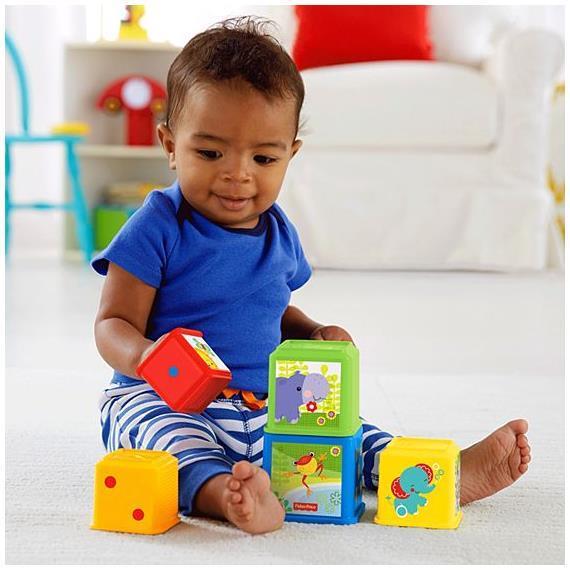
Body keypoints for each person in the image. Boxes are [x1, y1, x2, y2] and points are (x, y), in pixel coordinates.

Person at [92, 17, 531, 535]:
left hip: (264, 403)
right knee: (169, 442)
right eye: (209, 153)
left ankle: (439, 474)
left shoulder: (279, 233)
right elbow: (112, 323)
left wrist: (312, 331)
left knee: (350, 434)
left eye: (263, 157)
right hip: (164, 397)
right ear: (170, 144)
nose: (238, 173)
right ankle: (224, 496)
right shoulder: (158, 225)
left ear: (290, 155)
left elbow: (271, 311)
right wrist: (145, 358)